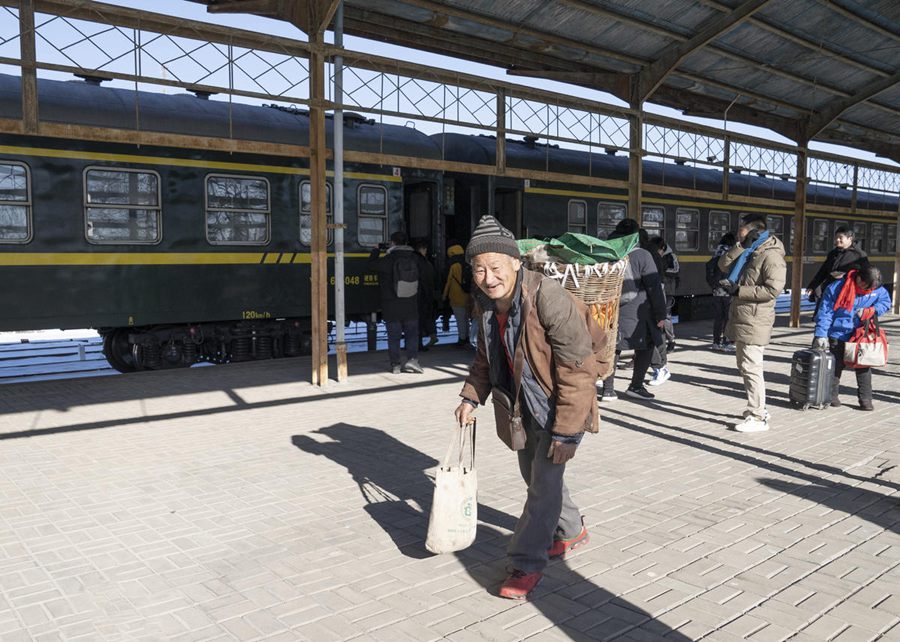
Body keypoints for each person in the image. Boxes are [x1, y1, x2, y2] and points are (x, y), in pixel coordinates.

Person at [454, 215, 598, 600]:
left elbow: (578, 368)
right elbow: (485, 361)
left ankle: (525, 563)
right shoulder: (486, 306)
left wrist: (568, 431)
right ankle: (571, 531)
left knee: (542, 487)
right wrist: (471, 396)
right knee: (537, 479)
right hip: (520, 409)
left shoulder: (547, 297)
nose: (488, 277)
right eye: (479, 269)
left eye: (496, 267)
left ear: (516, 262)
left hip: (559, 405)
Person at [717, 214, 786, 432]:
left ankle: (758, 416)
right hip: (743, 315)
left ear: (756, 230)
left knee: (751, 367)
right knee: (745, 366)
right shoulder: (750, 250)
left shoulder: (771, 256)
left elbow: (774, 290)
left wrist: (740, 290)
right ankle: (757, 410)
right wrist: (740, 246)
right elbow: (723, 264)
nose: (739, 232)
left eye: (742, 229)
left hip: (756, 318)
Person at [599, 220, 667, 402]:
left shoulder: (607, 252)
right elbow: (654, 286)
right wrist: (661, 314)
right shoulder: (642, 255)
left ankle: (608, 390)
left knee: (612, 348)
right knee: (646, 347)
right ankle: (636, 386)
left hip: (610, 309)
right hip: (639, 312)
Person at [813, 266, 891, 411]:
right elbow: (826, 312)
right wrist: (821, 334)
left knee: (863, 367)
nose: (869, 290)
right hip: (838, 333)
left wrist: (872, 310)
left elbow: (885, 302)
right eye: (866, 287)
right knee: (836, 366)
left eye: (872, 288)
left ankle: (865, 399)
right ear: (859, 279)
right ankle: (832, 396)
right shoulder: (837, 287)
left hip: (862, 333)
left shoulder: (876, 289)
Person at [367, 231, 424, 374]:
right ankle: (412, 361)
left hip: (391, 305)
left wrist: (375, 250)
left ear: (392, 243)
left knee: (394, 337)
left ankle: (396, 365)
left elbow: (371, 266)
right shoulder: (416, 258)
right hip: (411, 304)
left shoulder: (388, 259)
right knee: (412, 334)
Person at [806, 226, 869, 318]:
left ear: (850, 238)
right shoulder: (833, 254)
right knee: (823, 317)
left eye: (840, 238)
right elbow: (822, 272)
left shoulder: (859, 255)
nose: (837, 240)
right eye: (836, 238)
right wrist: (812, 286)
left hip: (847, 293)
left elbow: (865, 275)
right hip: (830, 290)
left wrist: (846, 276)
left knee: (840, 319)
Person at [647, 236, 679, 386]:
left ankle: (671, 342)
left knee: (664, 319)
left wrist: (663, 270)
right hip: (660, 291)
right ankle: (660, 366)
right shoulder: (653, 256)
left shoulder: (668, 256)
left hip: (666, 290)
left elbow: (675, 270)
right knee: (657, 327)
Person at [709, 232, 737, 352]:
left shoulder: (716, 253)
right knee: (728, 318)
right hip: (727, 289)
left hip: (716, 290)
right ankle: (726, 342)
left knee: (718, 318)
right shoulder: (729, 254)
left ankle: (716, 342)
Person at [442, 243, 472, 347]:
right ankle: (468, 337)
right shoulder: (468, 264)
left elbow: (449, 282)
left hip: (456, 296)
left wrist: (444, 295)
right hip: (467, 296)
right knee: (466, 319)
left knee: (460, 319)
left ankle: (462, 339)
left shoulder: (454, 266)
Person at [414, 239, 438, 352]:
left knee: (417, 320)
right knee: (423, 319)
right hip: (424, 295)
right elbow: (429, 280)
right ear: (422, 250)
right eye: (425, 249)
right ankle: (420, 342)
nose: (426, 251)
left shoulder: (415, 261)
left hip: (416, 295)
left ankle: (415, 343)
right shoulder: (425, 263)